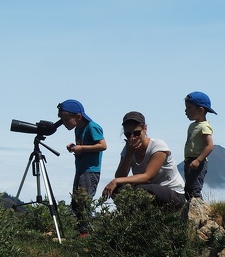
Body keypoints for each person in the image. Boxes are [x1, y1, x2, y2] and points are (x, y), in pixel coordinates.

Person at [102, 111, 186, 208]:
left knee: (141, 189)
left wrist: (116, 180)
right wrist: (129, 153)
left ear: (145, 129)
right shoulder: (128, 149)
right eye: (128, 135)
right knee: (117, 189)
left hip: (174, 194)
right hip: (149, 191)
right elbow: (120, 175)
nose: (133, 138)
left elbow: (147, 177)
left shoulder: (158, 146)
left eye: (137, 133)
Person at [57, 99, 107, 237]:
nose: (64, 123)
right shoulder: (78, 128)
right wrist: (74, 147)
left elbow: (102, 145)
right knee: (76, 202)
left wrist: (81, 148)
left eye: (66, 119)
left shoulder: (92, 127)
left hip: (90, 171)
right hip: (81, 169)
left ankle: (86, 232)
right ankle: (82, 231)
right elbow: (84, 146)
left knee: (83, 202)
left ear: (78, 116)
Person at [183, 91, 216, 200]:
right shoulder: (192, 125)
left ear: (200, 110)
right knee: (188, 188)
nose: (185, 111)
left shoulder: (204, 127)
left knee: (194, 188)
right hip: (189, 161)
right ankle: (190, 211)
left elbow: (209, 145)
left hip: (197, 162)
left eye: (189, 108)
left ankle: (200, 212)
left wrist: (198, 160)